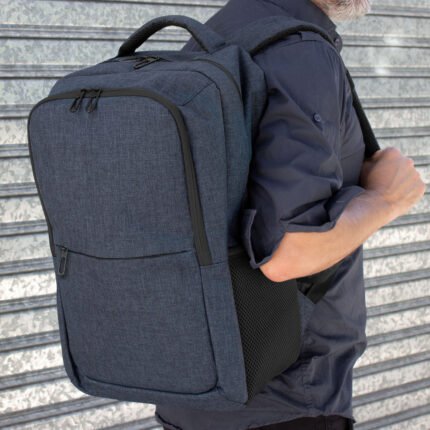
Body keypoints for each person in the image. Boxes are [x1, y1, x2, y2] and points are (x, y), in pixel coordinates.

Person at [155, 0, 427, 429]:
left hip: (192, 394)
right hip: (285, 400)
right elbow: (289, 253)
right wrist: (387, 199)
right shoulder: (297, 51)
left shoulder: (211, 40)